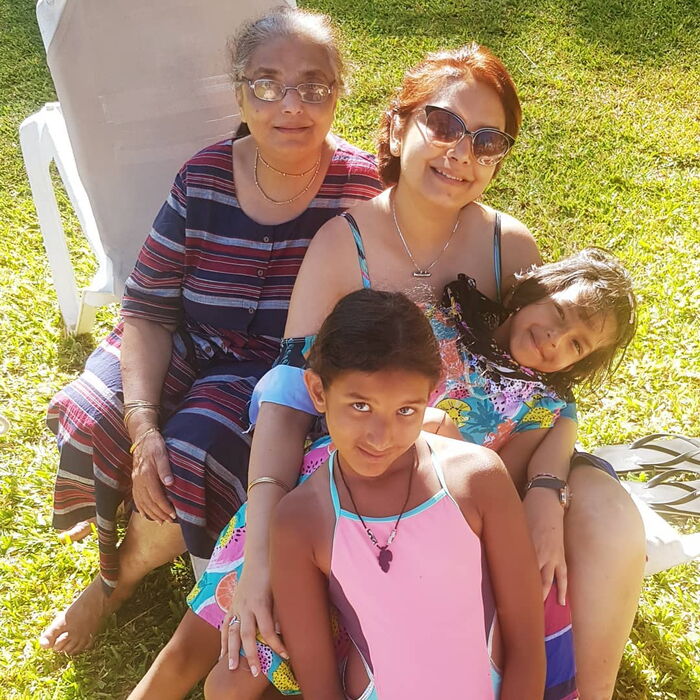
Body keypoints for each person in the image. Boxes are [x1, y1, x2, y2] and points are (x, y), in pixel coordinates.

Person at [137, 44, 646, 700]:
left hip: (442, 499)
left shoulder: (507, 248)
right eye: (444, 124)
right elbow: (290, 399)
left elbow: (538, 390)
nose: (461, 153)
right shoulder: (341, 246)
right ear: (399, 125)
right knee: (208, 646)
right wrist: (262, 545)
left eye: (487, 139)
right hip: (340, 475)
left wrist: (545, 486)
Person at [39, 6, 384, 656]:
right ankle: (125, 501)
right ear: (238, 90)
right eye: (266, 83)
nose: (291, 104)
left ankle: (117, 582)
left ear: (340, 93)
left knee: (191, 458)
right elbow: (145, 310)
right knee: (92, 412)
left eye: (314, 85)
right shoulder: (203, 177)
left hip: (267, 376)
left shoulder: (362, 189)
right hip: (182, 337)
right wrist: (142, 429)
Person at [270, 288, 546, 700]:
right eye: (361, 406)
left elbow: (526, 644)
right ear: (319, 391)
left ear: (430, 397)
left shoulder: (477, 479)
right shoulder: (299, 521)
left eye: (405, 411)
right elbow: (319, 686)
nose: (381, 438)